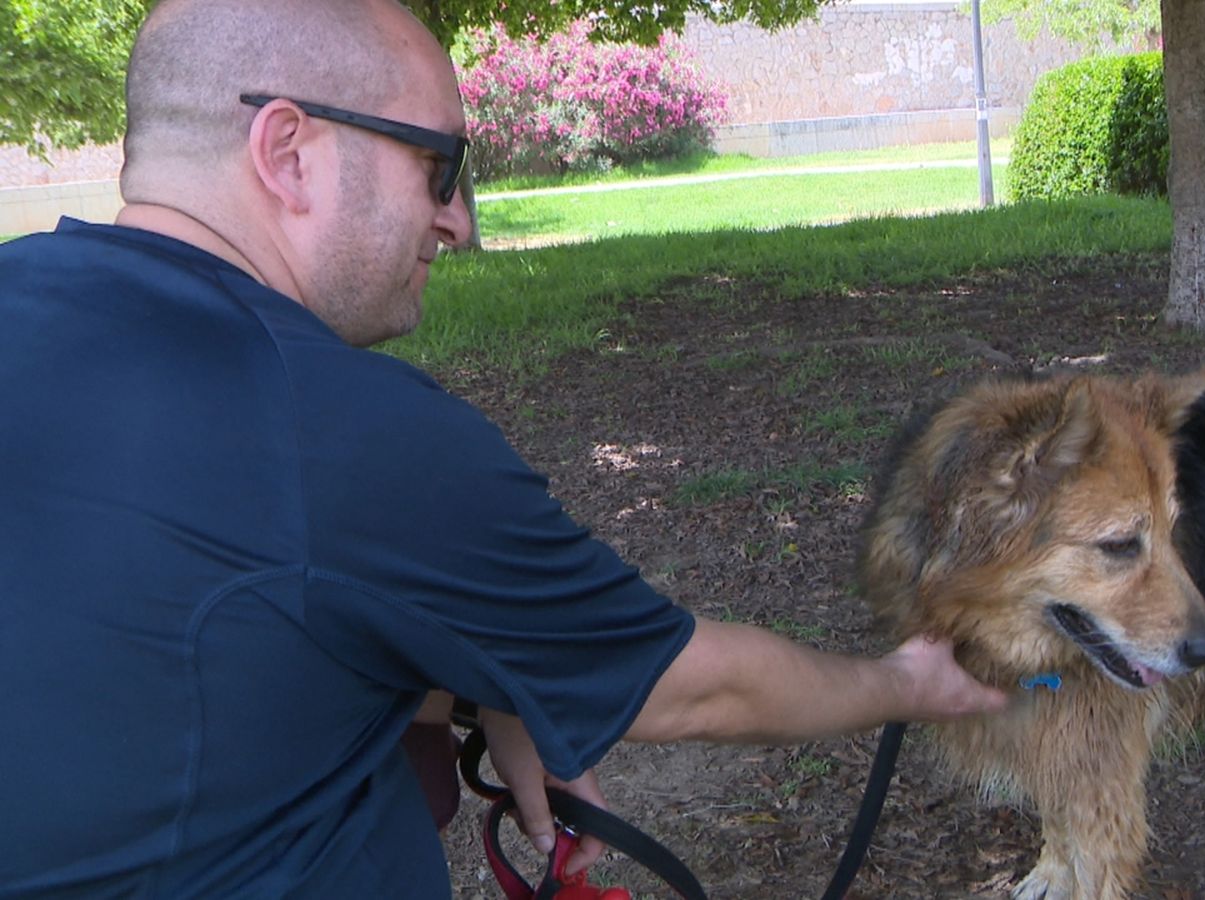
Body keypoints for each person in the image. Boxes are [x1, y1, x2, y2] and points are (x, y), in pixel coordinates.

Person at [0, 0, 1007, 896]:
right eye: (438, 165)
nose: (457, 222)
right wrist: (908, 684)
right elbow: (695, 685)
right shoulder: (345, 431)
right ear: (288, 152)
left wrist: (479, 680)